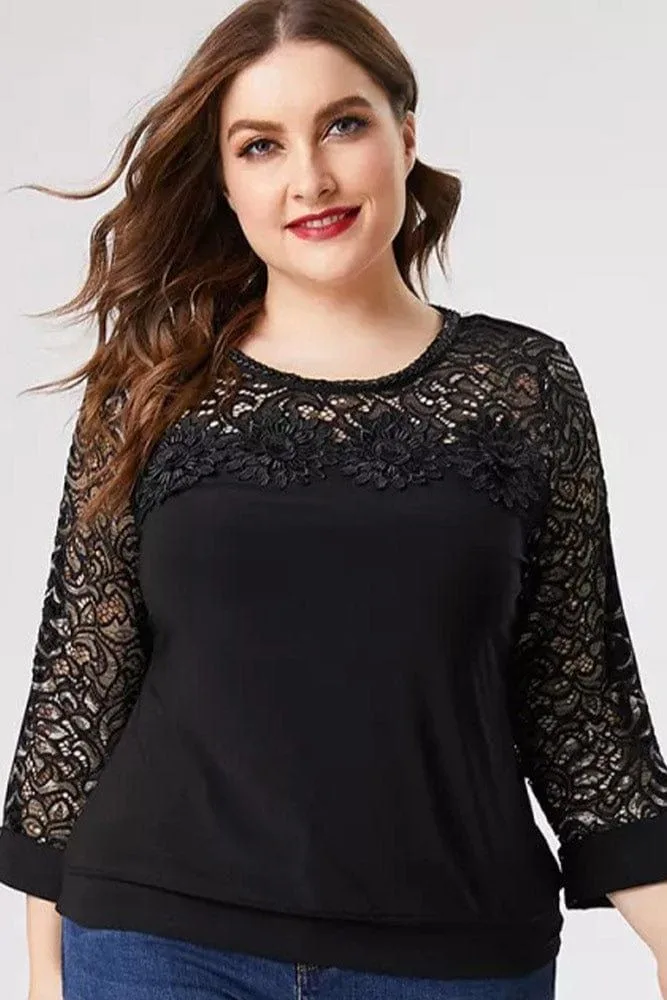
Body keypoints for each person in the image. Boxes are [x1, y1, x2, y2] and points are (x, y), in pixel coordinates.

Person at [2, 1, 667, 998]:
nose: (308, 177)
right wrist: (44, 966)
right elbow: (80, 683)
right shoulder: (151, 387)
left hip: (454, 956)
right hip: (159, 943)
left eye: (342, 125)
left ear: (406, 134)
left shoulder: (521, 385)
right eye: (260, 145)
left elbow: (576, 694)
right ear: (225, 181)